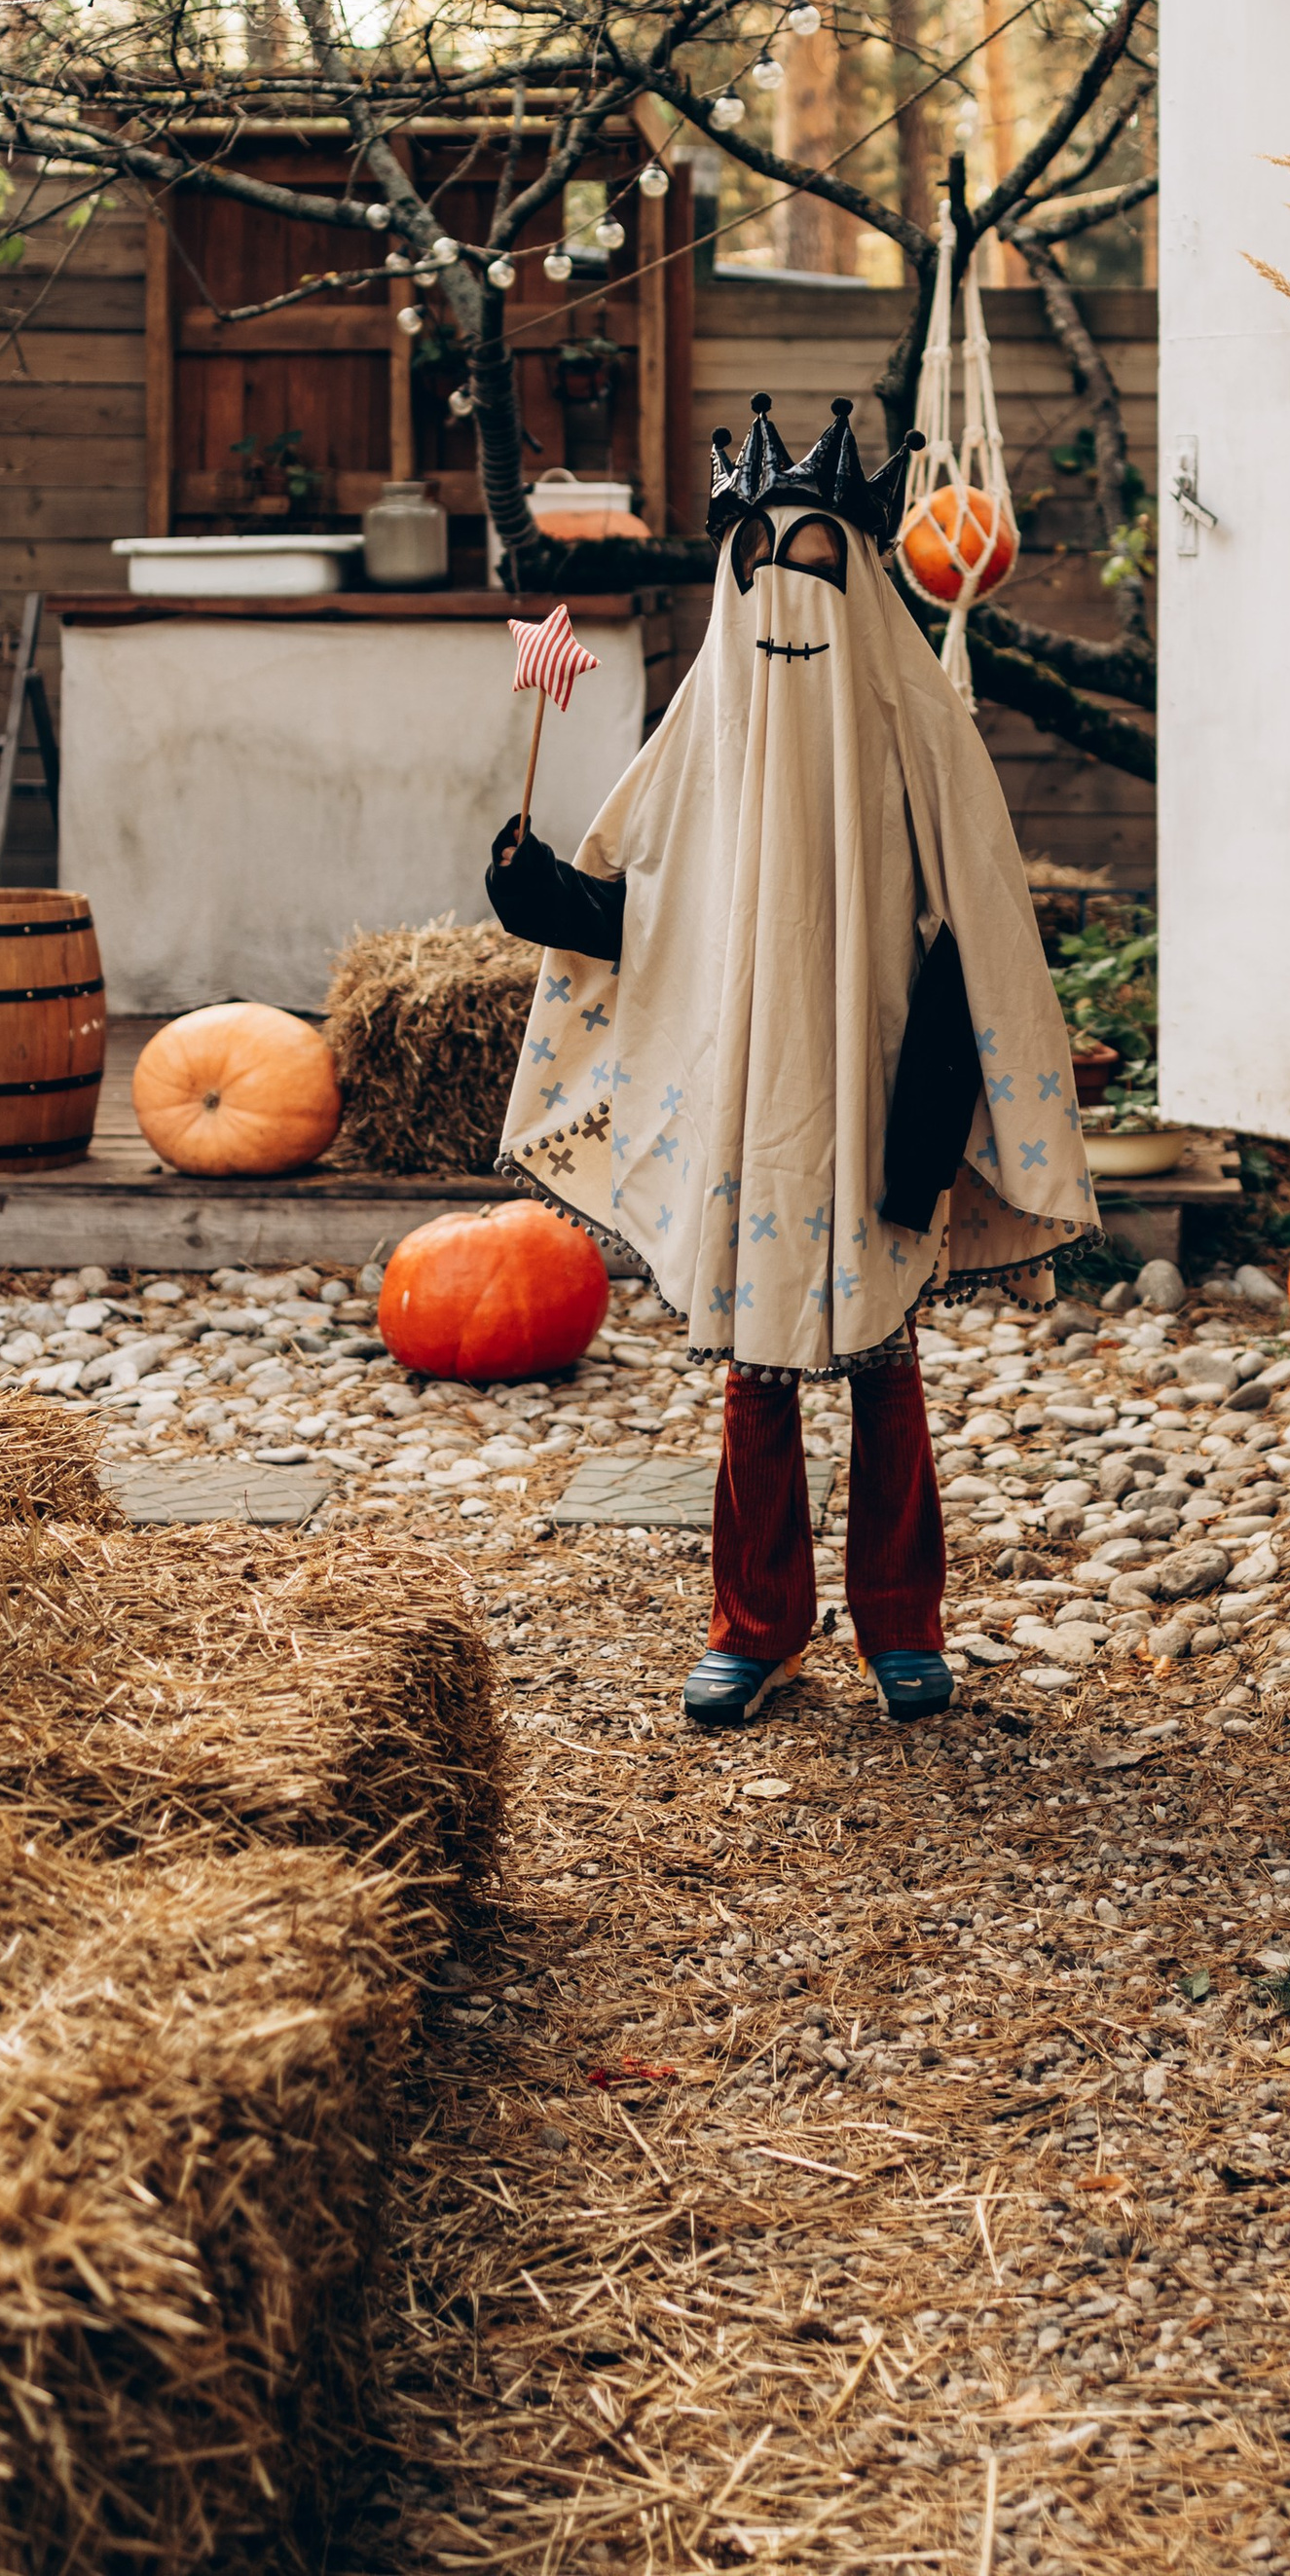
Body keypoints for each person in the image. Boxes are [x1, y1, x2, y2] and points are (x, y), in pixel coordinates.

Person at [484, 394, 1097, 1731]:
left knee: (882, 1355)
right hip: (745, 1090)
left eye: (812, 552)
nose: (783, 580)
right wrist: (547, 900)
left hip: (885, 1086)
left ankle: (900, 1620)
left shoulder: (921, 723)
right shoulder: (698, 733)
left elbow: (987, 912)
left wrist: (965, 1090)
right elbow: (635, 906)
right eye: (754, 555)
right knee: (758, 1365)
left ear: (858, 567)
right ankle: (756, 1627)